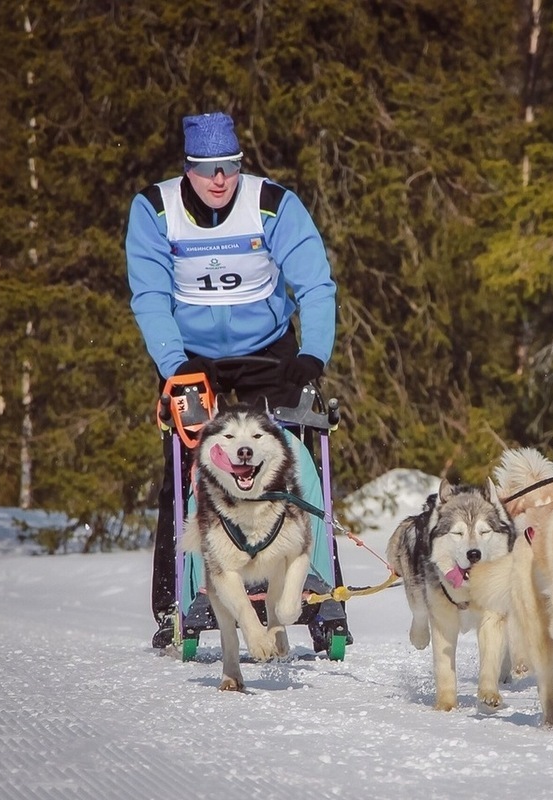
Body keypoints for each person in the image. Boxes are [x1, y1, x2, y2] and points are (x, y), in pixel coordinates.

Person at [125, 111, 338, 648]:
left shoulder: (273, 203)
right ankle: (178, 600)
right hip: (192, 356)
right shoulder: (155, 209)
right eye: (206, 169)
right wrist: (175, 368)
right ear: (187, 170)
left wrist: (313, 353)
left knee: (292, 457)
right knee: (187, 467)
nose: (220, 180)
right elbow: (149, 297)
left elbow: (315, 284)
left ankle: (312, 585)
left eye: (229, 167)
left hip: (269, 349)